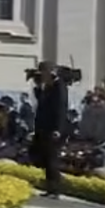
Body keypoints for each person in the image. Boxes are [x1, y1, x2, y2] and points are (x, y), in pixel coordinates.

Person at [31, 61, 69, 198]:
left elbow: (61, 108)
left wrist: (58, 129)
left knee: (52, 159)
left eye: (43, 73)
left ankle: (56, 189)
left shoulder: (59, 86)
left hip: (53, 129)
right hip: (43, 128)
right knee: (46, 159)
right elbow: (41, 104)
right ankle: (50, 187)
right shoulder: (47, 86)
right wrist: (38, 88)